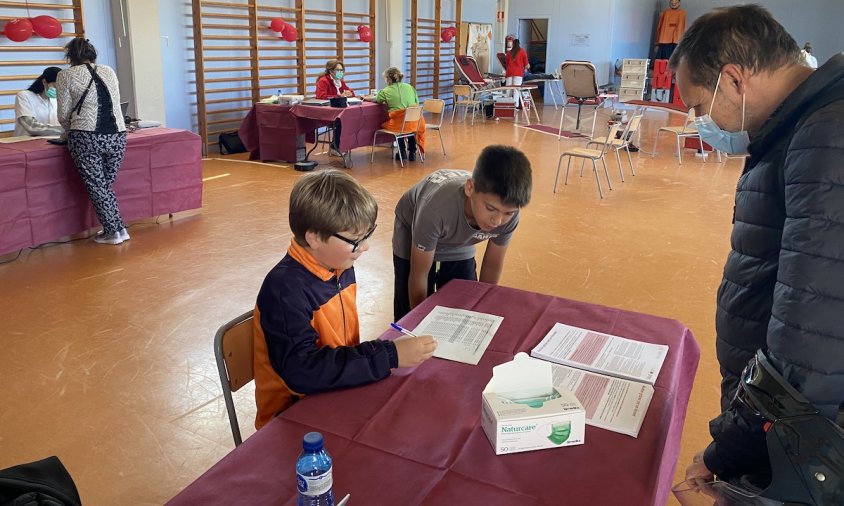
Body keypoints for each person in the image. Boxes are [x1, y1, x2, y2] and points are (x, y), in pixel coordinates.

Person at [669, 5, 844, 498]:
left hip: (793, 438)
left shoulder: (826, 137)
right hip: (769, 418)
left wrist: (730, 450)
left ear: (733, 79)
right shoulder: (799, 128)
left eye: (699, 106)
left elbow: (807, 345)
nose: (698, 121)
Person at [253, 170, 437, 429]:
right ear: (314, 237)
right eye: (355, 240)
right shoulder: (284, 290)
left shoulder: (337, 264)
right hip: (293, 417)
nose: (365, 247)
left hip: (336, 391)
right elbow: (301, 372)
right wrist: (388, 356)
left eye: (367, 235)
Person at [392, 146, 532, 321]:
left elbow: (492, 265)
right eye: (490, 208)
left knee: (466, 303)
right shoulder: (435, 209)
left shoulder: (509, 215)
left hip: (459, 235)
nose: (497, 221)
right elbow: (419, 274)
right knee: (409, 306)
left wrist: (481, 311)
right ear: (470, 189)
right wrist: (418, 323)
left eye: (507, 213)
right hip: (414, 226)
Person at [56, 38, 128, 245]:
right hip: (117, 135)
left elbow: (63, 114)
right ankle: (119, 229)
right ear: (93, 54)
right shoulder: (109, 70)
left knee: (98, 186)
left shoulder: (65, 75)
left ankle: (114, 231)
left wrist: (68, 132)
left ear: (71, 57)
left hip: (87, 136)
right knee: (105, 185)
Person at [369, 67, 426, 162]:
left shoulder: (385, 91)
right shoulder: (410, 87)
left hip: (400, 125)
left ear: (389, 79)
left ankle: (402, 152)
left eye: (385, 78)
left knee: (396, 126)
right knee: (409, 127)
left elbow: (377, 100)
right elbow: (417, 101)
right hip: (417, 122)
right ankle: (412, 152)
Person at [315, 59, 355, 156]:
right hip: (327, 111)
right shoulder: (323, 81)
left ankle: (342, 145)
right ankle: (334, 147)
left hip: (338, 109)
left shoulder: (340, 81)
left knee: (349, 118)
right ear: (331, 71)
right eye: (338, 70)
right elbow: (321, 96)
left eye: (342, 70)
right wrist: (339, 96)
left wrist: (349, 93)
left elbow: (351, 92)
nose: (341, 72)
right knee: (341, 121)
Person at [14, 67, 63, 137]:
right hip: (26, 143)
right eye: (55, 86)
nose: (59, 90)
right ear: (44, 82)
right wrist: (64, 130)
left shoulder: (56, 99)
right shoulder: (24, 96)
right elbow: (32, 127)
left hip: (50, 142)